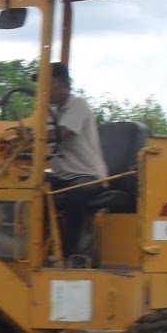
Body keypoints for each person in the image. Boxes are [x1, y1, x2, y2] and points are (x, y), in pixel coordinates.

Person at [45, 62, 110, 259]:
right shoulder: (51, 113)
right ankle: (39, 244)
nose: (44, 91)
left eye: (48, 85)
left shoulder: (78, 105)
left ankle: (70, 252)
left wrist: (32, 136)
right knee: (30, 185)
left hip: (89, 175)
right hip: (63, 176)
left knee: (76, 192)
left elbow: (62, 133)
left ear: (63, 85)